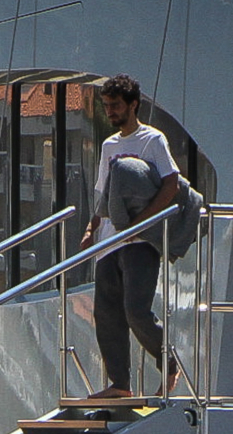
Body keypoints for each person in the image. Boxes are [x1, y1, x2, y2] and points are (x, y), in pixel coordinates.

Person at [80, 74, 180, 399]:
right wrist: (90, 229)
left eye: (115, 106)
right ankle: (120, 384)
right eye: (107, 106)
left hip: (141, 242)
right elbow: (102, 196)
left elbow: (171, 184)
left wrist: (141, 222)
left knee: (136, 310)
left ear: (132, 105)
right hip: (109, 242)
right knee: (107, 314)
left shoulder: (153, 140)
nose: (110, 112)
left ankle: (169, 361)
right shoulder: (110, 145)